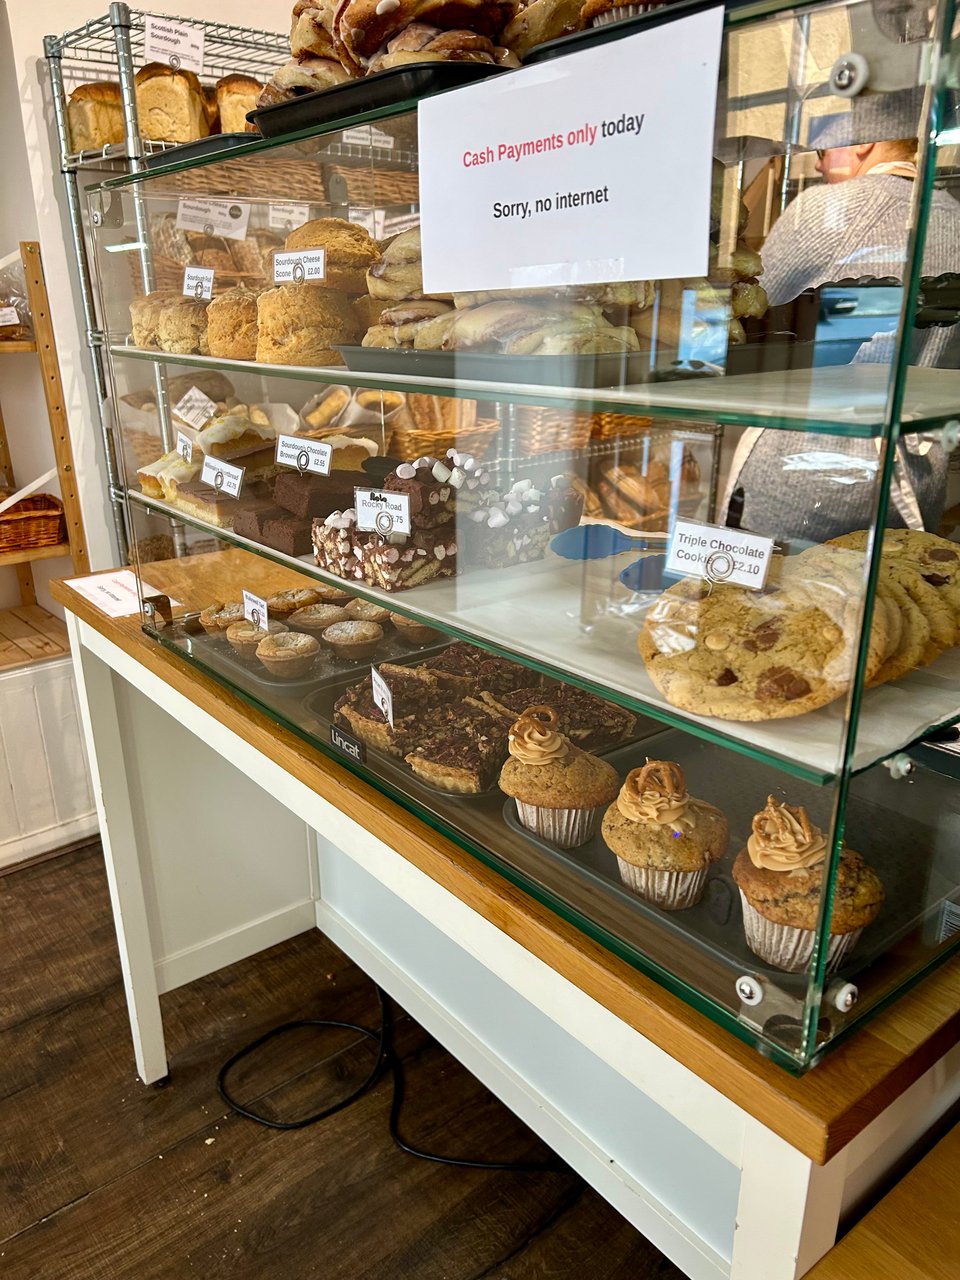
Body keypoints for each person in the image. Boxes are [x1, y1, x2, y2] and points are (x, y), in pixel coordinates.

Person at [723, 89, 960, 543]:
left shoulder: (828, 208)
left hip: (803, 480)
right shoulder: (953, 215)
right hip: (915, 484)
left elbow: (744, 311)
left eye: (824, 148)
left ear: (863, 142)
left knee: (770, 611)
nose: (816, 163)